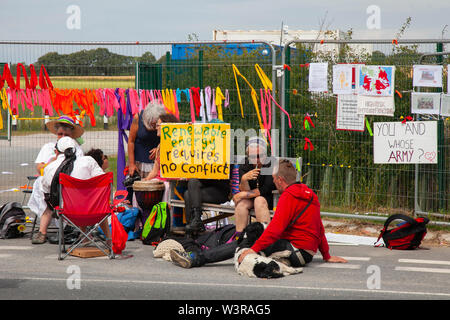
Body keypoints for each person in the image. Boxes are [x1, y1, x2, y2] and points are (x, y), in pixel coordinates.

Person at [169, 158, 347, 268]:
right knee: (251, 238)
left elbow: (274, 230)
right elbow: (319, 228)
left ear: (279, 179)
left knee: (246, 242)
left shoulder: (288, 196)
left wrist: (252, 248)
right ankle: (199, 256)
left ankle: (197, 258)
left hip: (294, 251)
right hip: (305, 253)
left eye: (274, 179)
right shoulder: (311, 195)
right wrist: (326, 255)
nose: (274, 182)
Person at [32, 137, 106, 244]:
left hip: (66, 213)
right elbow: (103, 181)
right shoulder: (88, 161)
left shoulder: (50, 168)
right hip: (94, 209)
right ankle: (108, 240)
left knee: (68, 200)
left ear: (56, 151)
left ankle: (42, 232)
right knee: (87, 199)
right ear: (75, 149)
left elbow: (47, 193)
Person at [28, 116, 84, 243]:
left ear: (72, 135)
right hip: (49, 182)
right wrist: (53, 163)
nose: (63, 136)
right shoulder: (48, 147)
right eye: (60, 134)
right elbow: (39, 168)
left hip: (69, 183)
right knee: (44, 189)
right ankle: (42, 232)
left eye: (66, 134)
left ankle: (72, 228)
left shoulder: (77, 150)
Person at [230, 136, 276, 242]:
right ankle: (240, 239)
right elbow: (244, 189)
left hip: (270, 198)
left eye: (260, 155)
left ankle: (265, 239)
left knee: (258, 200)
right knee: (242, 205)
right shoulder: (245, 163)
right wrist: (244, 179)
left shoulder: (271, 163)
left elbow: (267, 188)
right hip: (252, 196)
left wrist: (241, 195)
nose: (257, 159)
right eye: (253, 156)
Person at [127, 102, 166, 178]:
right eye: (152, 124)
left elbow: (167, 139)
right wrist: (131, 164)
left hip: (156, 164)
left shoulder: (164, 120)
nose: (154, 127)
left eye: (156, 124)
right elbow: (131, 141)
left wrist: (159, 148)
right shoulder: (137, 118)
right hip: (139, 162)